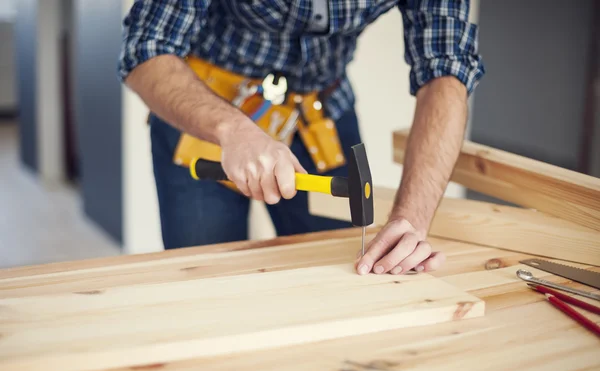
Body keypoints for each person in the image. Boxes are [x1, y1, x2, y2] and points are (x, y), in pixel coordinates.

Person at [118, 0, 484, 276]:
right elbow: (147, 47)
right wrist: (234, 129)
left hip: (320, 116)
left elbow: (446, 69)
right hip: (207, 113)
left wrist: (412, 220)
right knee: (205, 283)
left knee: (345, 276)